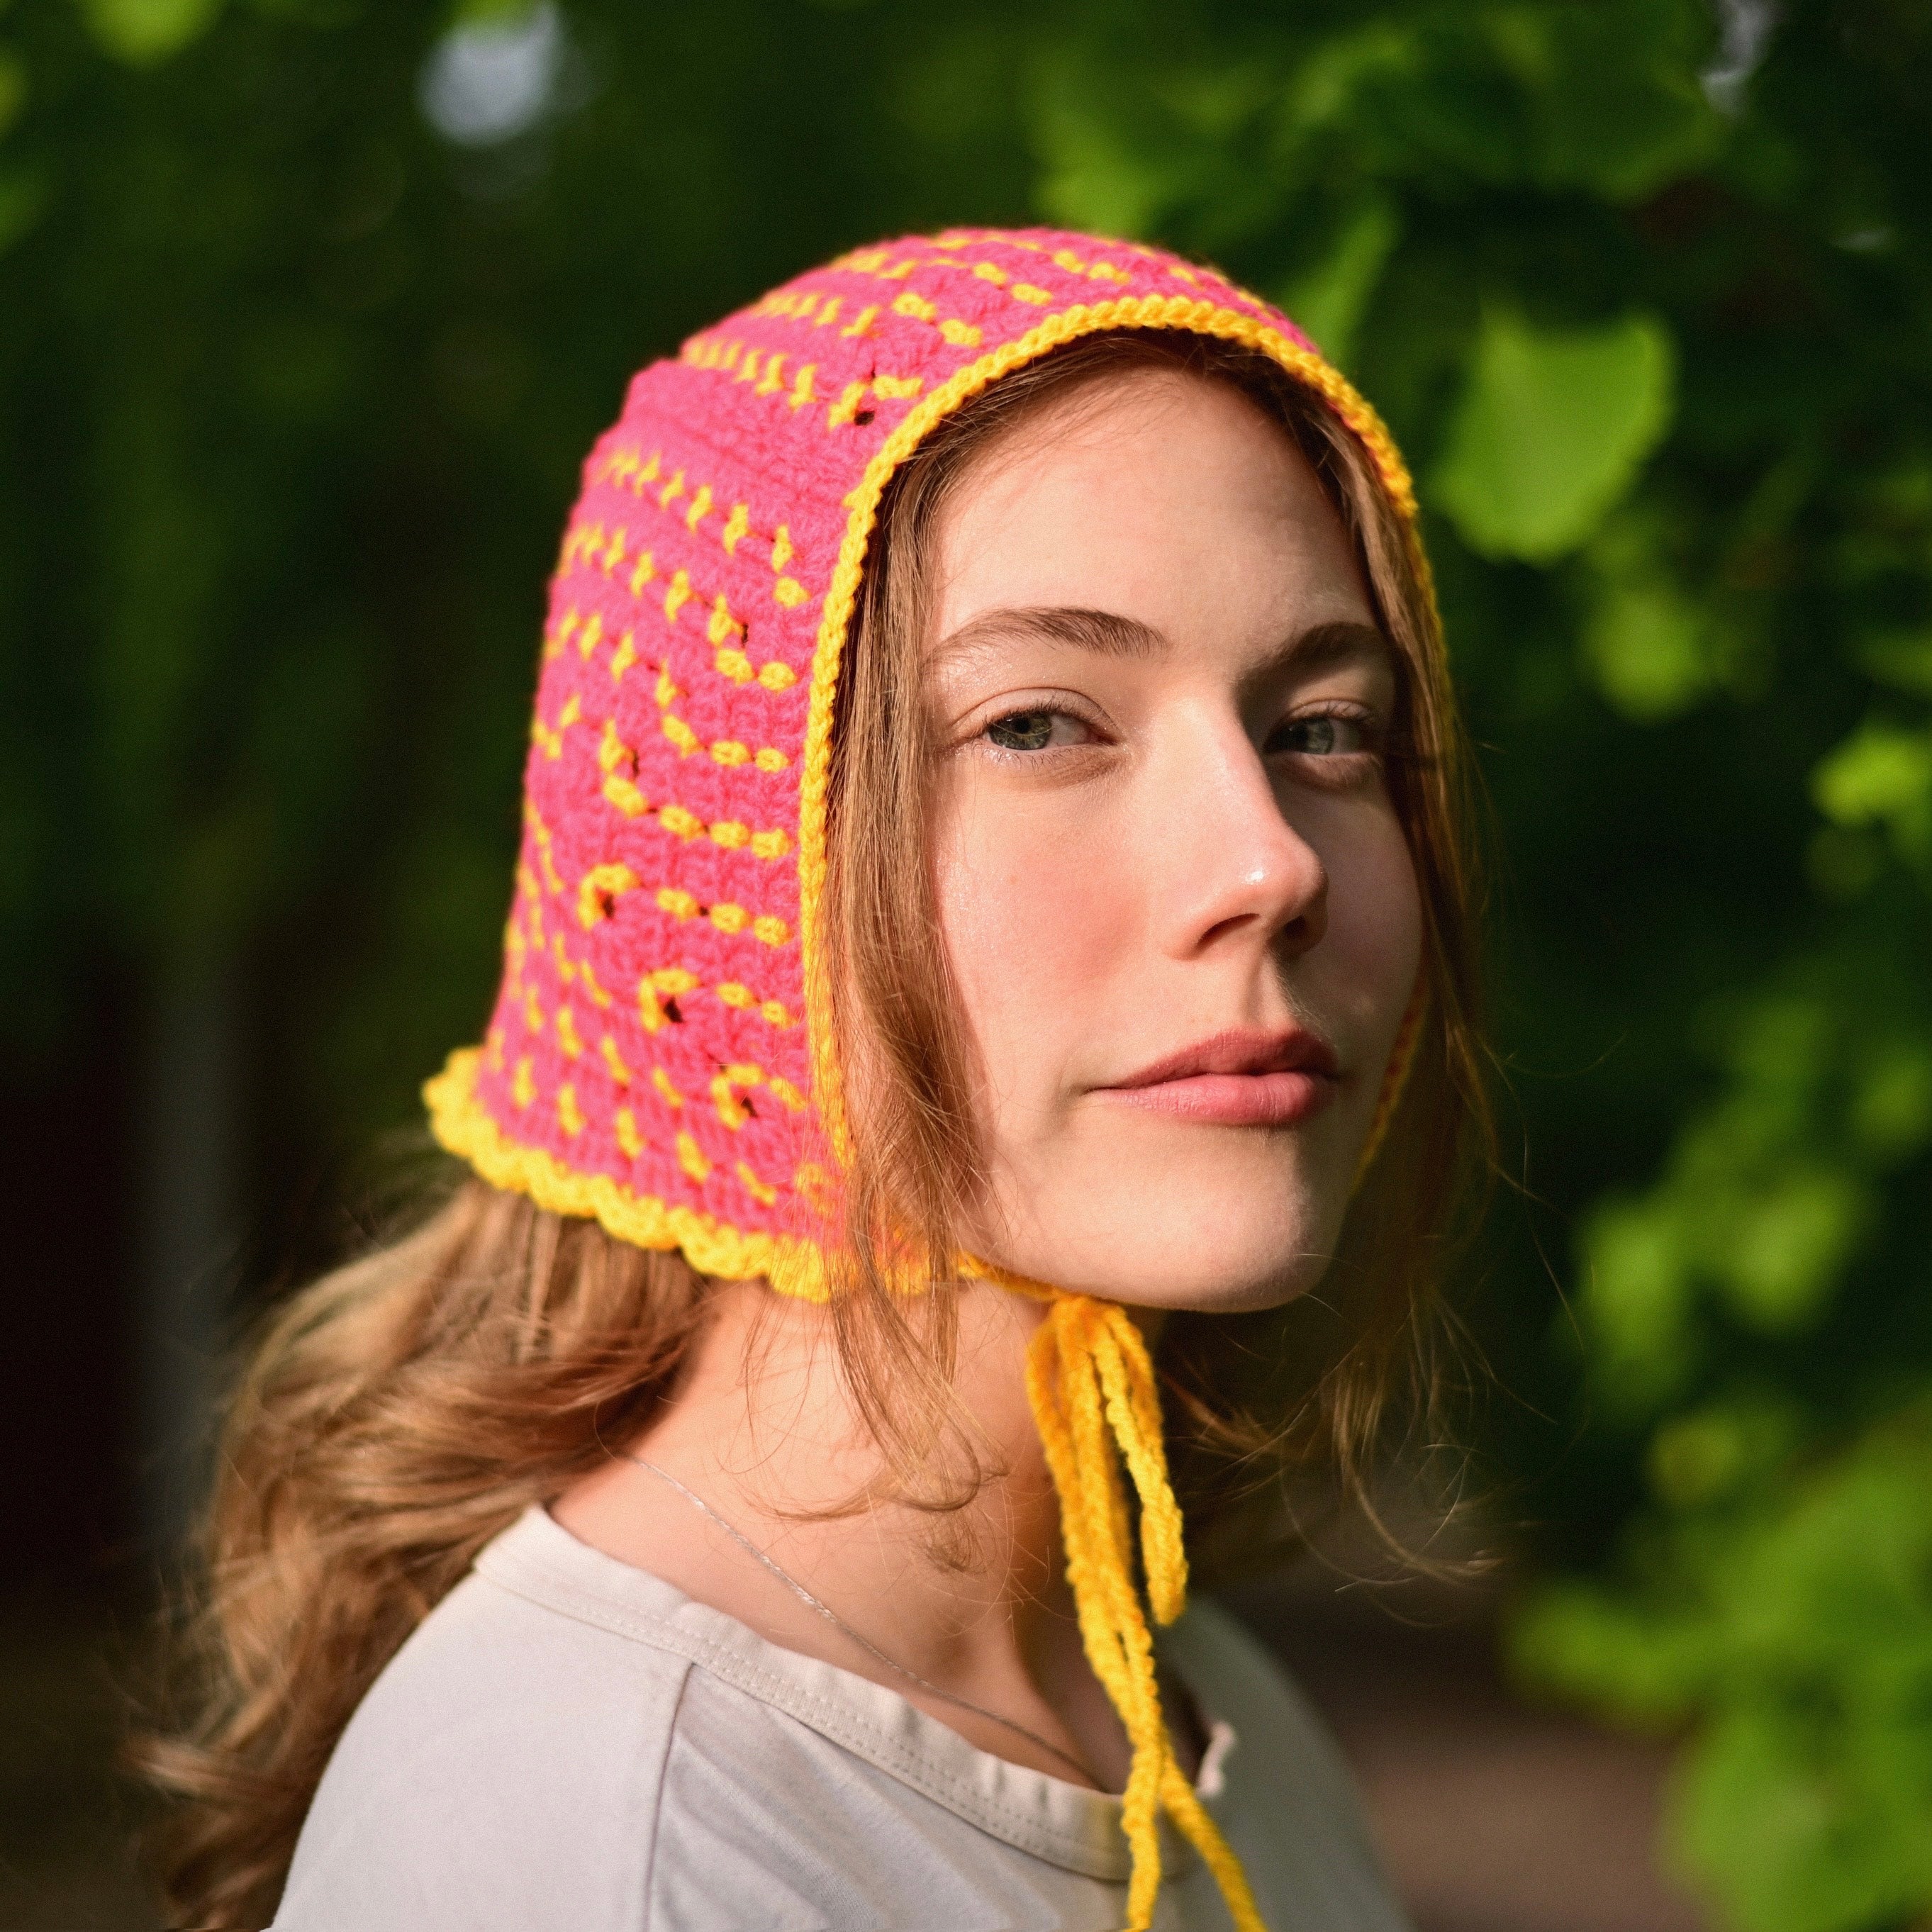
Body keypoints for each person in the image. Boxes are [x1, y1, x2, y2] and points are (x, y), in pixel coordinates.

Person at [139, 226, 1485, 1931]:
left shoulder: (1197, 1716)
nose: (1270, 859)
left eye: (1324, 728)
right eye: (1039, 723)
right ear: (715, 877)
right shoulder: (596, 1851)